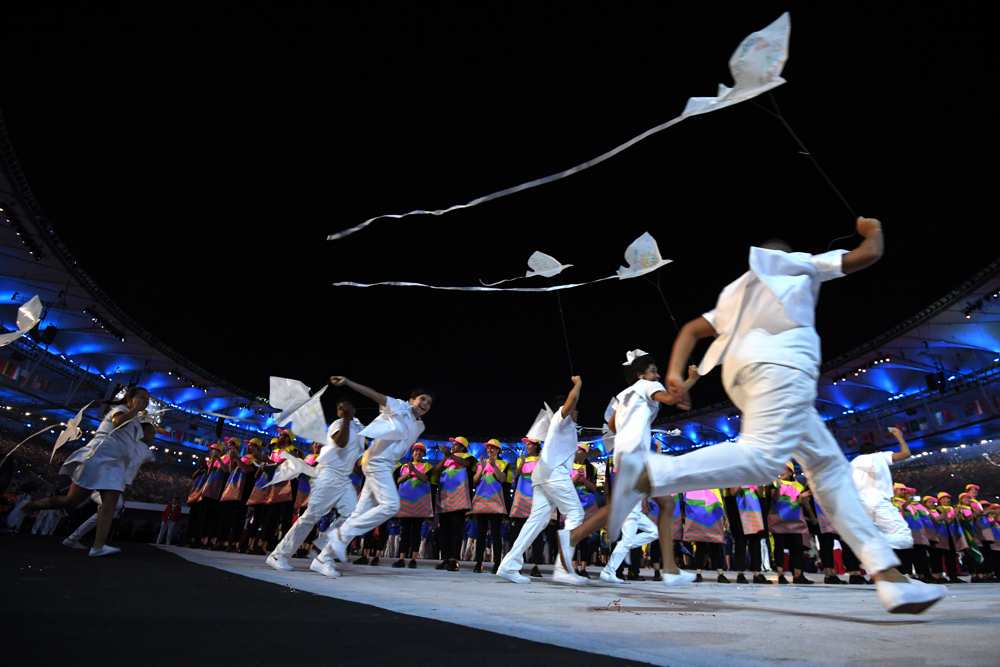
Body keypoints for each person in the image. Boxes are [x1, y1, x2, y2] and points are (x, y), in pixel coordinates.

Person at [614, 218, 946, 613]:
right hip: (785, 365)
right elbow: (869, 254)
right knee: (763, 459)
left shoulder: (736, 290)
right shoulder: (800, 264)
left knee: (829, 469)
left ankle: (889, 576)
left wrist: (674, 375)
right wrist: (872, 228)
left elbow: (689, 330)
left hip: (743, 373)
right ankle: (652, 472)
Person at [317, 377, 431, 575]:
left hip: (386, 465)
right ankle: (340, 535)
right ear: (411, 399)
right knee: (391, 505)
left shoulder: (420, 426)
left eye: (429, 403)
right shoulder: (398, 407)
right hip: (376, 461)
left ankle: (323, 558)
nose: (425, 405)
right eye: (422, 399)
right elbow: (374, 395)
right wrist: (348, 382)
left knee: (359, 514)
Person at [26, 386, 153, 557]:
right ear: (130, 399)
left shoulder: (137, 422)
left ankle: (98, 546)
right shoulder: (120, 410)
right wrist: (136, 409)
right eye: (142, 397)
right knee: (70, 501)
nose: (145, 401)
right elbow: (117, 422)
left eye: (147, 399)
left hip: (114, 465)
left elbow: (134, 442)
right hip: (98, 457)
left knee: (110, 503)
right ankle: (31, 505)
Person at [269, 401, 365, 575]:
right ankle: (279, 555)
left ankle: (321, 551)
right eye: (341, 408)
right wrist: (345, 418)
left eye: (346, 408)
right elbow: (340, 443)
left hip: (343, 478)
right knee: (311, 516)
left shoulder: (360, 431)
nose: (343, 411)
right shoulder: (338, 424)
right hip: (328, 473)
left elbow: (357, 460)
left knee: (352, 516)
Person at [392, 442, 434, 568]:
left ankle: (414, 559)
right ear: (412, 453)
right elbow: (398, 481)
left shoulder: (427, 466)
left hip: (419, 505)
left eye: (421, 451)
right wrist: (408, 474)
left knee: (416, 532)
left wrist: (414, 469)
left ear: (424, 454)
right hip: (405, 503)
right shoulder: (404, 466)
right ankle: (401, 558)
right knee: (404, 532)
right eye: (416, 451)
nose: (418, 453)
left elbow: (425, 479)